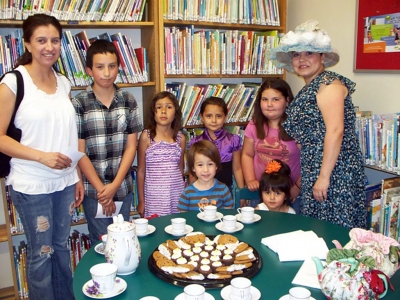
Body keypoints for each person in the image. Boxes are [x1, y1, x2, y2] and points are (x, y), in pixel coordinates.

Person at [0, 14, 80, 300]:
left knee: (60, 248)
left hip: (65, 182)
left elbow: (68, 135)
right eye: (41, 40)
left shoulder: (64, 83)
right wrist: (41, 157)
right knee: (41, 254)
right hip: (32, 184)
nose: (49, 47)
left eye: (55, 40)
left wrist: (77, 176)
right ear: (27, 44)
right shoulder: (13, 82)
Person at [269, 20, 367, 229]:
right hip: (317, 169)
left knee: (335, 233)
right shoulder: (311, 87)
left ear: (323, 56)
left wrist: (324, 177)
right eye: (296, 54)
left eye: (309, 53)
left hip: (336, 171)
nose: (301, 59)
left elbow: (335, 130)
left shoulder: (328, 84)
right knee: (318, 231)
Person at [72, 39, 142, 246]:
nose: (106, 73)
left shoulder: (128, 100)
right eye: (100, 67)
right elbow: (79, 152)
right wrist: (104, 191)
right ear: (89, 70)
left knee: (124, 241)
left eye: (112, 66)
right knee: (101, 243)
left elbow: (132, 146)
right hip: (94, 192)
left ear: (118, 68)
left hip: (123, 189)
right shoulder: (79, 103)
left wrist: (115, 186)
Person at [241, 78, 301, 211]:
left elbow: (309, 161)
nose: (269, 104)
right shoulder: (254, 124)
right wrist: (250, 180)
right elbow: (247, 154)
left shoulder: (298, 127)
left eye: (275, 99)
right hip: (262, 192)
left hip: (289, 193)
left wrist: (297, 187)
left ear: (287, 101)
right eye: (264, 99)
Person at [137, 91, 186, 217]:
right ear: (153, 112)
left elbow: (180, 169)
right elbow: (141, 171)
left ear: (175, 113)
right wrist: (142, 201)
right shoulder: (146, 137)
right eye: (159, 107)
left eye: (169, 107)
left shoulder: (180, 138)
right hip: (154, 198)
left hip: (176, 195)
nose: (163, 111)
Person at [188, 96, 245, 204]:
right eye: (209, 116)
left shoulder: (233, 140)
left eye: (218, 116)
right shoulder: (196, 142)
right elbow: (192, 171)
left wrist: (242, 194)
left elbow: (237, 168)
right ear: (202, 117)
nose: (214, 120)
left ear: (225, 117)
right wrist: (191, 191)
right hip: (201, 190)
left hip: (225, 191)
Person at [178, 140, 233, 211]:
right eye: (200, 165)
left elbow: (227, 214)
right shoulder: (187, 193)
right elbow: (184, 217)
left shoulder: (223, 189)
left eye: (210, 164)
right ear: (193, 168)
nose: (206, 170)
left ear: (216, 165)